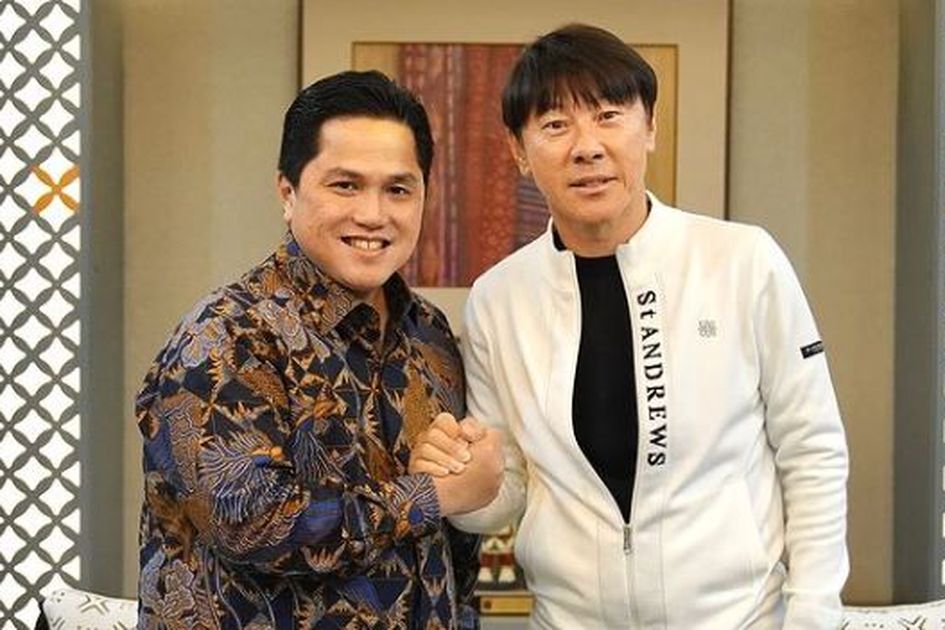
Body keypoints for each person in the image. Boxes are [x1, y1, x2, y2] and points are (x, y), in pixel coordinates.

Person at [411, 24, 849, 629]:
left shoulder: (742, 262)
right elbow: (506, 493)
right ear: (518, 150)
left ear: (650, 127)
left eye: (609, 116)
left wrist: (814, 614)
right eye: (555, 125)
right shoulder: (498, 298)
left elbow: (813, 449)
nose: (586, 147)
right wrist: (461, 481)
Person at [136, 70, 503, 629]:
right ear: (288, 193)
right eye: (346, 185)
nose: (374, 214)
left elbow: (449, 554)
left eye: (398, 189)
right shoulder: (228, 334)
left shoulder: (428, 333)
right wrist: (432, 495)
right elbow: (253, 523)